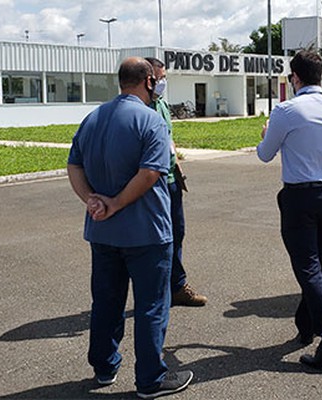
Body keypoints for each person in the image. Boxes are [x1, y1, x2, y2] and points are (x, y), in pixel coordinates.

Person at [67, 57, 193, 399]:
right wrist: (117, 203)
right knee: (152, 305)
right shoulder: (151, 121)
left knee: (106, 301)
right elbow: (151, 173)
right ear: (149, 82)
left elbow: (73, 164)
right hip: (146, 233)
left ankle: (104, 366)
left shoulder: (93, 118)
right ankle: (151, 379)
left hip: (103, 232)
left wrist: (92, 201)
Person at [257, 50, 322, 369]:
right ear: (319, 75)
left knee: (307, 267)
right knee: (317, 265)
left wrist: (267, 133)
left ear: (294, 78)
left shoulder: (286, 110)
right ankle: (306, 324)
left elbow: (265, 154)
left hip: (300, 196)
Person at [145, 57, 207, 307]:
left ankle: (175, 286)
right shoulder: (142, 106)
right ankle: (163, 288)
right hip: (152, 181)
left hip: (171, 179)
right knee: (158, 237)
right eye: (158, 79)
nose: (162, 83)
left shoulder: (160, 103)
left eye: (164, 78)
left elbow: (167, 137)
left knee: (177, 233)